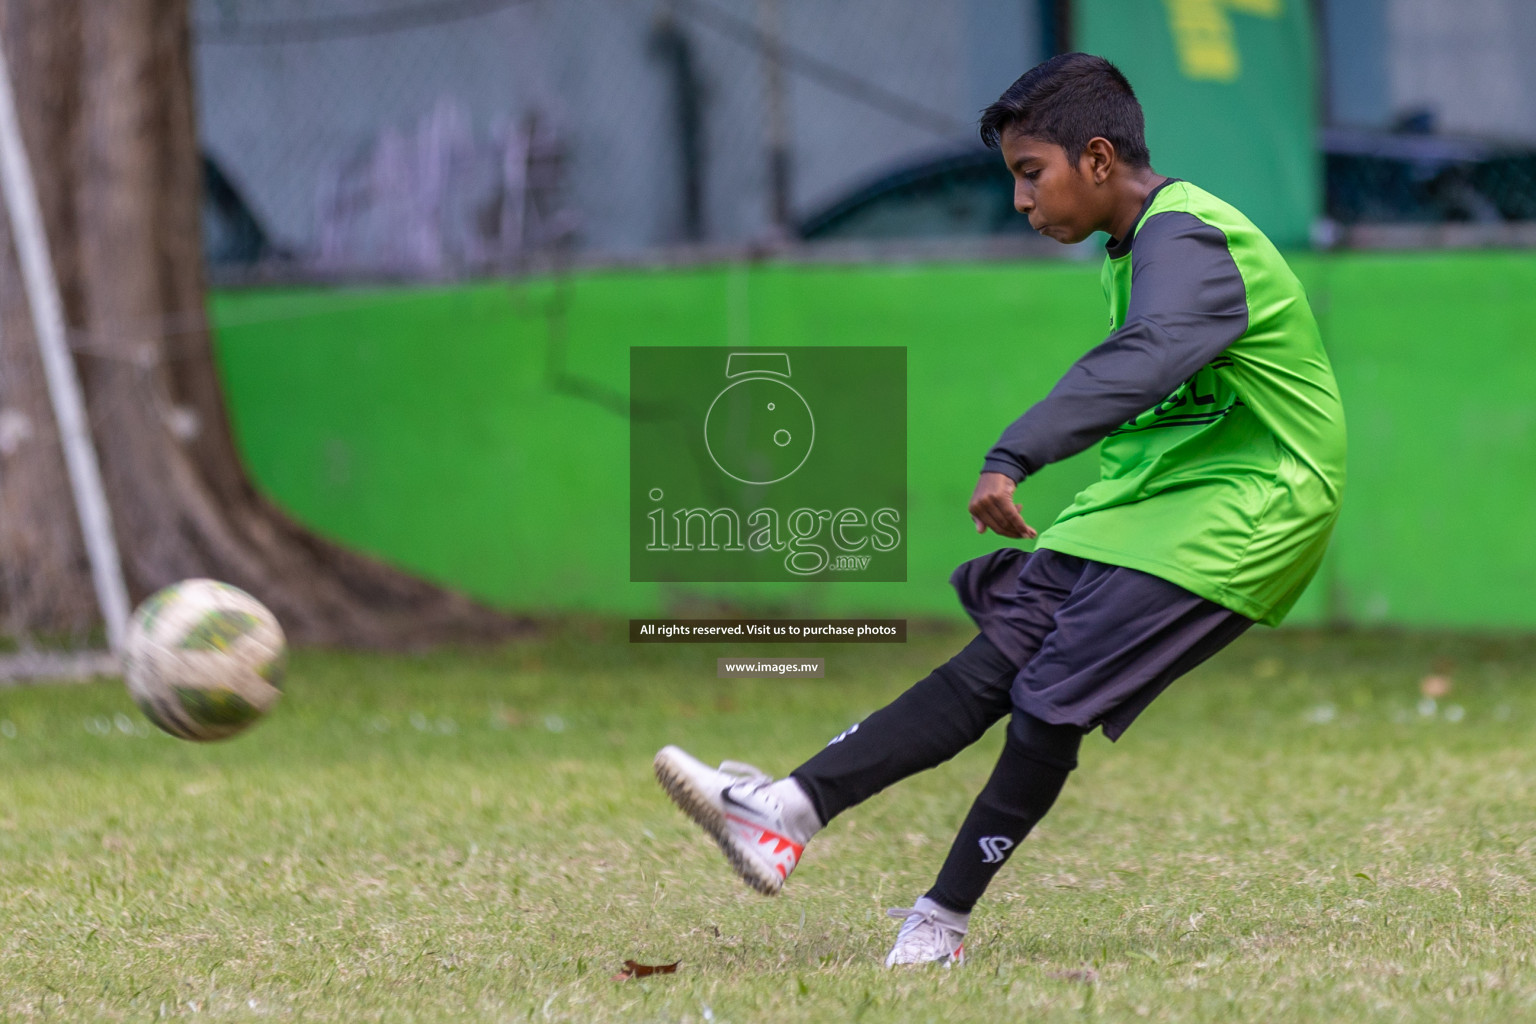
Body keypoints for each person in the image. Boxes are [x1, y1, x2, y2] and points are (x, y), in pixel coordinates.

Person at [653, 52, 1347, 968]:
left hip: (1256, 501)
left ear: (1097, 159)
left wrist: (1016, 452)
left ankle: (939, 922)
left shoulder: (1191, 240)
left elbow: (1149, 356)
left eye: (1032, 173)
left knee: (1049, 696)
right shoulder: (1138, 246)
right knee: (997, 660)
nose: (1023, 201)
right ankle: (784, 814)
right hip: (1161, 492)